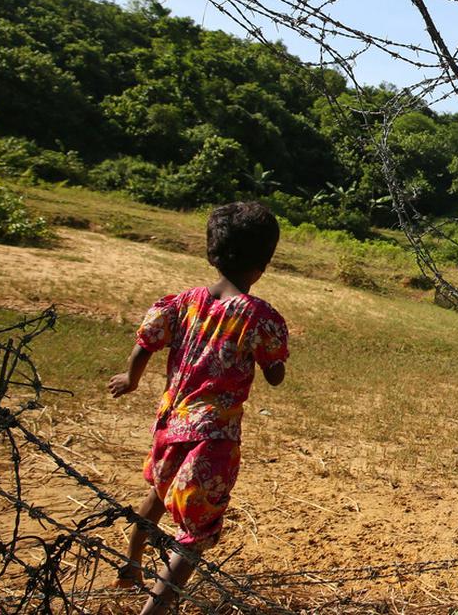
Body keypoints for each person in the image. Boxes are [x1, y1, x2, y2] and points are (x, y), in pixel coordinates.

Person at [107, 201, 290, 615]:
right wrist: (272, 364)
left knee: (157, 492)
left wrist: (131, 379)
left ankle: (131, 563)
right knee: (196, 531)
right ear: (265, 261)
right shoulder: (259, 317)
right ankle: (154, 609)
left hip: (171, 423)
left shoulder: (182, 302)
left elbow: (144, 344)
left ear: (212, 252)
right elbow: (274, 374)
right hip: (214, 436)